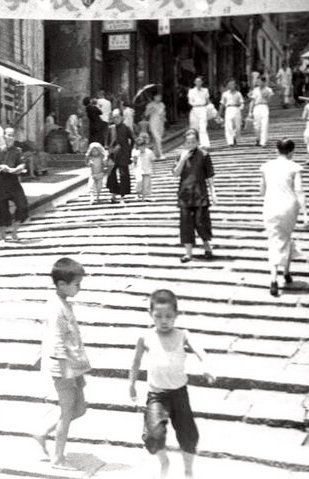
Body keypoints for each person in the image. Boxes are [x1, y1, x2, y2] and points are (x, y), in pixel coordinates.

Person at [129, 289, 216, 479]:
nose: (164, 320)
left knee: (188, 434)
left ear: (176, 315)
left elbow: (201, 351)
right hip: (157, 395)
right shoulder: (145, 337)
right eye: (158, 316)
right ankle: (164, 462)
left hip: (179, 393)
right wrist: (132, 384)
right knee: (154, 435)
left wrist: (206, 365)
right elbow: (135, 362)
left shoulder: (183, 334)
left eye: (169, 316)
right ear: (150, 314)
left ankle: (188, 470)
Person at [34, 257, 90, 470]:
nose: (80, 288)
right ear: (62, 285)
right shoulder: (55, 308)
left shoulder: (64, 303)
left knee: (80, 408)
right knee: (67, 412)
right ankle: (58, 458)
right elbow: (57, 341)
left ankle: (41, 432)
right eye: (77, 284)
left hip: (74, 364)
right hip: (63, 366)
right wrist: (69, 371)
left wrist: (79, 370)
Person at [259, 138, 308, 297]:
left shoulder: (267, 166)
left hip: (271, 206)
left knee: (275, 239)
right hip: (288, 207)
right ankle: (283, 274)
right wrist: (305, 215)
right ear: (292, 151)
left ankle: (276, 277)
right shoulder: (294, 167)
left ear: (277, 150)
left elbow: (261, 191)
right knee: (285, 237)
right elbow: (300, 192)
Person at [174, 129, 217, 263]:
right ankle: (188, 254)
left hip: (200, 194)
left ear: (197, 141)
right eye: (188, 142)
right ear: (184, 143)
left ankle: (207, 248)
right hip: (185, 195)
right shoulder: (180, 155)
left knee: (201, 222)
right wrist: (182, 160)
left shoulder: (204, 155)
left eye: (193, 141)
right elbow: (175, 173)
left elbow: (210, 177)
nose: (191, 144)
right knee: (186, 225)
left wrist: (213, 193)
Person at [0, 127, 29, 242]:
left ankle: (14, 232)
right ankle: (3, 237)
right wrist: (2, 167)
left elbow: (22, 163)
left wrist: (17, 169)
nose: (10, 138)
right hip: (0, 182)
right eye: (8, 135)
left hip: (13, 181)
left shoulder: (17, 151)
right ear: (4, 137)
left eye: (12, 135)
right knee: (3, 209)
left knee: (22, 205)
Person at [106, 109, 135, 204]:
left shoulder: (126, 127)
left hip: (123, 154)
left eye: (117, 117)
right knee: (111, 175)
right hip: (113, 155)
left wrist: (129, 151)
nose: (116, 119)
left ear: (122, 117)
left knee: (123, 175)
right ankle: (113, 194)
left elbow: (133, 139)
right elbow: (107, 142)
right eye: (114, 117)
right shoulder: (111, 128)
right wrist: (108, 151)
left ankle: (123, 195)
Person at [248, 75, 274, 147]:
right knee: (257, 126)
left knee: (264, 124)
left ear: (264, 82)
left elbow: (269, 100)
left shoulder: (269, 90)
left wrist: (266, 96)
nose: (258, 82)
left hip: (264, 107)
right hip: (256, 107)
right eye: (257, 81)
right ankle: (258, 138)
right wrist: (250, 112)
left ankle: (263, 142)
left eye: (260, 81)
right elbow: (252, 101)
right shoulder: (255, 90)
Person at [218, 79, 245, 147]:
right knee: (228, 126)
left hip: (236, 109)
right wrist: (219, 114)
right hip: (229, 109)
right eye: (230, 84)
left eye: (233, 84)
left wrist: (242, 107)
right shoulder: (225, 94)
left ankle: (235, 137)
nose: (231, 86)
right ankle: (230, 142)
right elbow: (222, 104)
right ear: (228, 85)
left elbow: (242, 102)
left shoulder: (238, 93)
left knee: (237, 126)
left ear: (235, 85)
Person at [187, 76, 211, 149]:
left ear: (202, 82)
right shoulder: (191, 91)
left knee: (203, 126)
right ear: (194, 82)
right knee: (194, 127)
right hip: (195, 109)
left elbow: (207, 100)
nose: (198, 83)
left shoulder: (205, 90)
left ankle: (205, 143)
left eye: (199, 81)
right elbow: (190, 101)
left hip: (203, 108)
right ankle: (195, 143)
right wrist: (195, 104)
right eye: (196, 81)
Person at [132, 134, 155, 201]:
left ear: (145, 145)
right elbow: (134, 161)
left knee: (145, 183)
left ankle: (143, 197)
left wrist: (153, 169)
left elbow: (152, 160)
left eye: (142, 146)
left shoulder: (149, 152)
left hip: (147, 169)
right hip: (138, 169)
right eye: (139, 146)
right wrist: (133, 168)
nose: (141, 148)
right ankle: (137, 194)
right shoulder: (136, 153)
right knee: (139, 181)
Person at [144, 93, 167, 160]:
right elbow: (146, 114)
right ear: (154, 97)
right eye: (157, 96)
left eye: (160, 96)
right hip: (153, 123)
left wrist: (164, 117)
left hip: (161, 123)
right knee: (158, 139)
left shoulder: (162, 104)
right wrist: (151, 110)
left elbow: (164, 113)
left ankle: (154, 155)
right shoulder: (150, 105)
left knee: (157, 140)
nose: (159, 98)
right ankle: (161, 154)